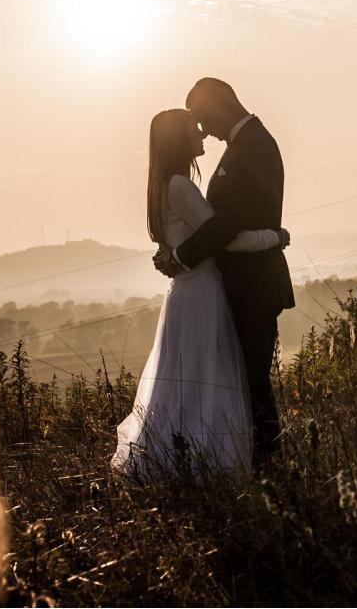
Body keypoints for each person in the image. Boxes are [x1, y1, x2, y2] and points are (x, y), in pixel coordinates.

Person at [112, 107, 290, 476]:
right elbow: (223, 239)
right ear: (179, 137)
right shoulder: (180, 186)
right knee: (211, 378)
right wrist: (273, 237)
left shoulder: (163, 186)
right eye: (193, 127)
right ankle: (209, 459)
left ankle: (182, 455)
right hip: (203, 294)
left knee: (187, 381)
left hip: (186, 294)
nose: (202, 132)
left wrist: (176, 255)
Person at [153, 78, 296, 469]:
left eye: (200, 117)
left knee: (251, 379)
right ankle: (251, 461)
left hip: (253, 284)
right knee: (243, 379)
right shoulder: (245, 145)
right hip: (238, 283)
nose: (200, 129)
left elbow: (225, 225)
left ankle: (267, 465)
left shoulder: (252, 146)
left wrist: (181, 255)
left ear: (218, 105)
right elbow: (219, 225)